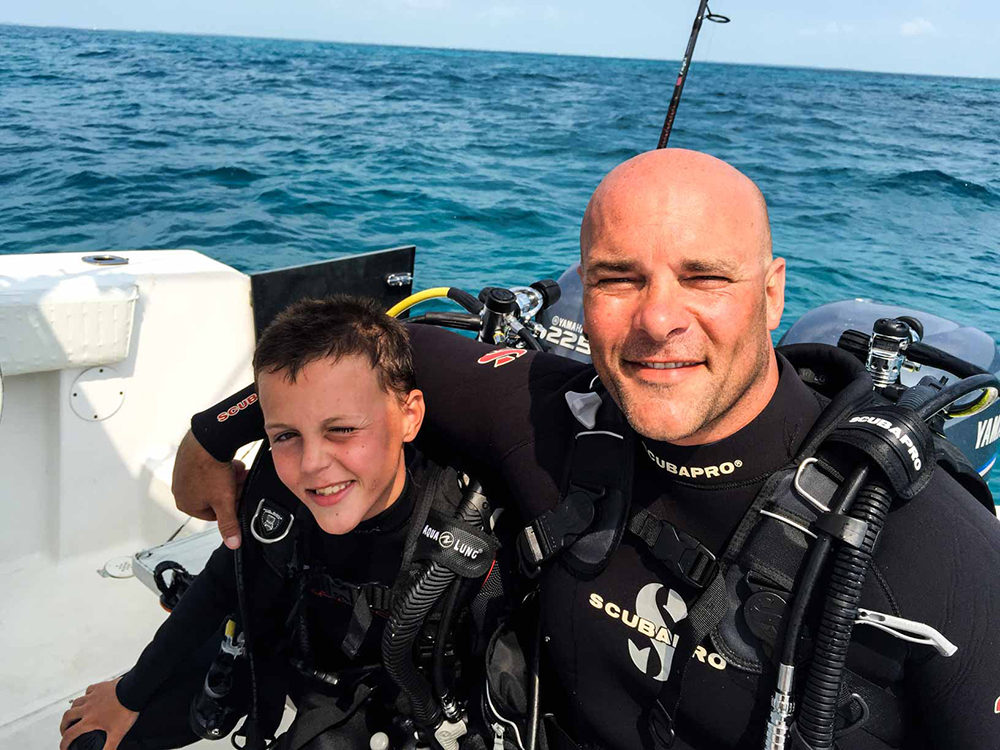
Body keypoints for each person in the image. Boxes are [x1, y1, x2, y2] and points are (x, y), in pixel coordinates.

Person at [169, 149, 1000, 749]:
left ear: (774, 293)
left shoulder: (937, 552)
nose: (658, 319)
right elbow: (393, 337)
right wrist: (218, 431)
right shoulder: (541, 416)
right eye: (618, 278)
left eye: (704, 277)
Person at [59, 295, 491, 750]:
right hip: (284, 650)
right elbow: (221, 584)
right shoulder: (278, 495)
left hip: (400, 697)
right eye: (285, 436)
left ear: (409, 415)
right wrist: (130, 694)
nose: (312, 464)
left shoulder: (462, 524)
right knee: (88, 740)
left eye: (341, 429)